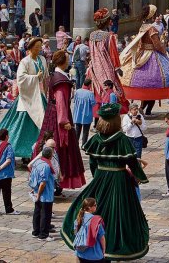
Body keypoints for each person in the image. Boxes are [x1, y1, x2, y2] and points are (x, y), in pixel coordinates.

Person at [61, 103, 149, 261]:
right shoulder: (122, 139)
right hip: (119, 181)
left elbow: (93, 164)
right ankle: (116, 248)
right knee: (122, 214)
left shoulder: (96, 139)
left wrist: (98, 178)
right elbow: (132, 162)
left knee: (94, 207)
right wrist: (140, 177)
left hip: (101, 177)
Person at [0, 38, 48, 161]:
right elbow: (21, 78)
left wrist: (46, 92)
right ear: (30, 48)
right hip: (27, 97)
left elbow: (46, 77)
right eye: (36, 46)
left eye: (40, 46)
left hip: (39, 95)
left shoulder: (42, 59)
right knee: (22, 125)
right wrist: (35, 77)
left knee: (42, 123)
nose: (39, 49)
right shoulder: (25, 62)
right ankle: (22, 151)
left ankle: (39, 150)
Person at [35, 50, 86, 189]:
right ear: (63, 62)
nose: (69, 61)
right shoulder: (61, 80)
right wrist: (64, 121)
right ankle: (57, 182)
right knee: (61, 149)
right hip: (58, 116)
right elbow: (61, 102)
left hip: (51, 114)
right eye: (68, 59)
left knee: (50, 146)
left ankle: (53, 182)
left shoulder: (55, 76)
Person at [119, 5, 169, 101]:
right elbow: (157, 45)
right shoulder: (152, 29)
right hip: (151, 53)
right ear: (152, 16)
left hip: (142, 52)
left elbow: (140, 42)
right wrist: (164, 51)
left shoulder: (143, 27)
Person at [86, 8, 129, 116]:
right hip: (106, 67)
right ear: (107, 21)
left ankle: (96, 118)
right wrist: (118, 68)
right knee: (112, 90)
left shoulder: (91, 35)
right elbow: (113, 54)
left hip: (94, 67)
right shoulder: (109, 36)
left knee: (96, 90)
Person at [0, 128, 20, 215]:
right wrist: (0, 168)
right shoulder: (8, 147)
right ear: (6, 136)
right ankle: (9, 209)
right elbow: (8, 160)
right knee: (6, 191)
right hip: (5, 173)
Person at [29, 147, 56, 241]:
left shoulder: (37, 163)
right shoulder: (46, 166)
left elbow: (32, 177)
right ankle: (43, 235)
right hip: (45, 195)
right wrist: (39, 194)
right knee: (45, 214)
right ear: (50, 155)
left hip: (37, 193)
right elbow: (43, 182)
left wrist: (34, 190)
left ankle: (36, 232)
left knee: (37, 212)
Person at [73, 198, 106, 262]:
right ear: (89, 207)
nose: (96, 206)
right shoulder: (96, 220)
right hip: (94, 255)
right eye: (95, 205)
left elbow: (75, 233)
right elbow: (102, 238)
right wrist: (104, 250)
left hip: (80, 253)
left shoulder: (78, 219)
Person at [74, 79, 96, 147]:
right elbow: (93, 103)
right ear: (89, 85)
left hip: (78, 115)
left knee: (77, 131)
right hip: (87, 115)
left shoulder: (77, 91)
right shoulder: (90, 93)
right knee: (85, 132)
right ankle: (84, 145)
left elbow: (74, 101)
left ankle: (75, 145)